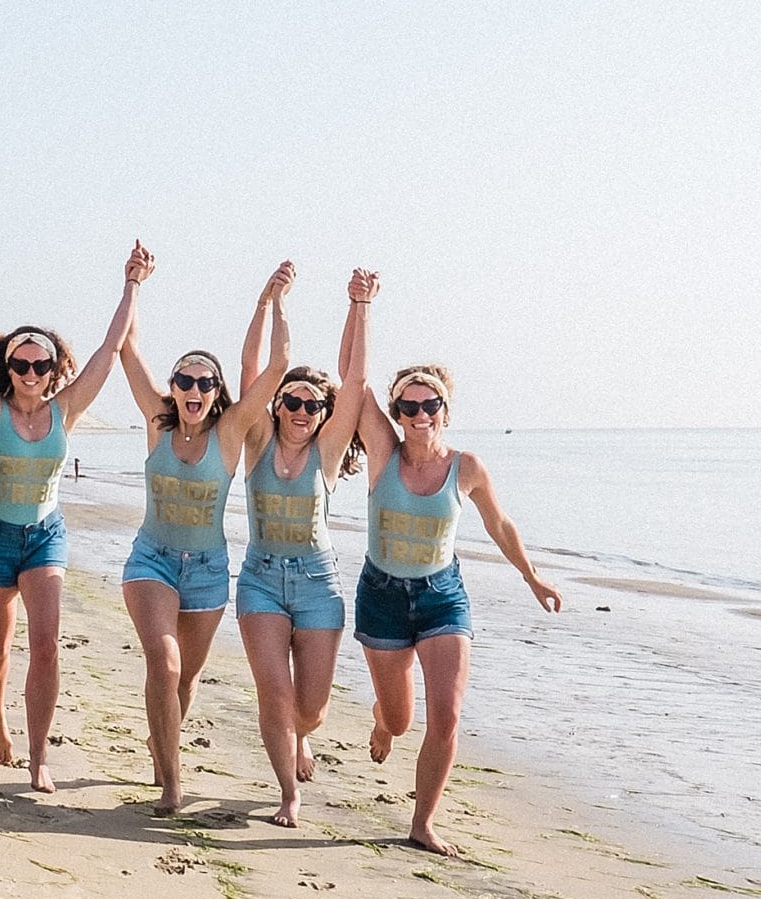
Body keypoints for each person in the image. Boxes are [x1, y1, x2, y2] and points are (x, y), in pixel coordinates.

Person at [0, 233, 151, 793]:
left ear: (53, 367)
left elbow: (109, 352)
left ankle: (39, 756)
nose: (32, 372)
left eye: (41, 364)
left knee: (46, 643)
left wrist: (131, 282)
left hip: (45, 536)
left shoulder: (66, 410)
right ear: (9, 367)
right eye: (21, 363)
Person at [354, 362, 562, 855]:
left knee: (445, 715)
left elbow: (499, 523)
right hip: (382, 596)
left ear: (445, 410)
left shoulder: (466, 467)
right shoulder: (382, 453)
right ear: (397, 413)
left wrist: (531, 577)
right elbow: (356, 381)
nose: (420, 414)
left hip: (441, 596)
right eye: (410, 406)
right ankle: (383, 720)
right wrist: (360, 304)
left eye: (430, 405)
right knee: (401, 720)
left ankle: (422, 823)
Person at [113, 262, 288, 817]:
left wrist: (271, 301)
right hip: (153, 561)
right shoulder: (156, 421)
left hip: (209, 568)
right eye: (183, 381)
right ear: (173, 388)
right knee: (163, 666)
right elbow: (124, 348)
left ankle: (161, 742)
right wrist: (133, 284)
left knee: (183, 679)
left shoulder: (232, 431)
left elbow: (278, 365)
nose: (192, 389)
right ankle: (172, 781)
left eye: (204, 383)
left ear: (216, 393)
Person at [230, 265, 378, 826]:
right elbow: (252, 369)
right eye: (291, 400)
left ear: (323, 415)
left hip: (319, 585)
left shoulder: (328, 453)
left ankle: (301, 737)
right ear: (277, 405)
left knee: (309, 710)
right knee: (274, 697)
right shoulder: (258, 441)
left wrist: (359, 306)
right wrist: (271, 300)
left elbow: (357, 384)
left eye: (312, 405)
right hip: (261, 580)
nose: (299, 411)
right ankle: (287, 793)